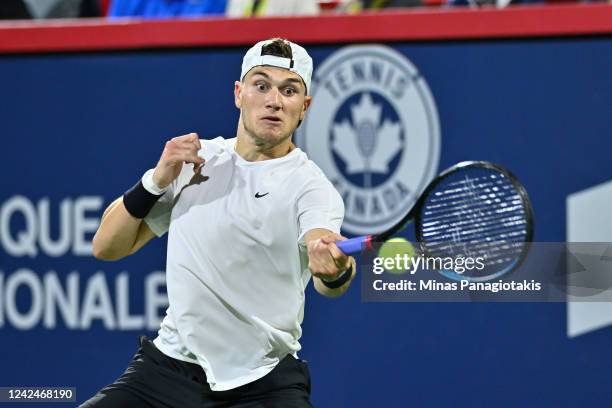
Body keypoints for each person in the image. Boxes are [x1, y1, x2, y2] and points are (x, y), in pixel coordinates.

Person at [81, 38, 356, 407]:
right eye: (261, 85)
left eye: (289, 91)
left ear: (304, 107)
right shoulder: (196, 161)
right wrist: (155, 181)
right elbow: (106, 247)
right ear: (239, 93)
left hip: (263, 380)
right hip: (168, 370)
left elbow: (328, 267)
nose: (274, 100)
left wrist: (333, 269)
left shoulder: (312, 188)